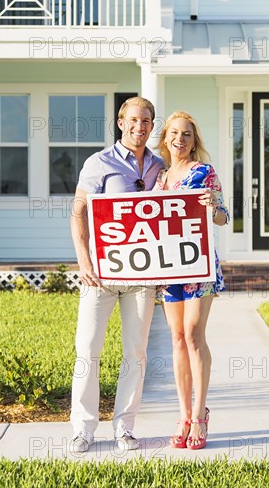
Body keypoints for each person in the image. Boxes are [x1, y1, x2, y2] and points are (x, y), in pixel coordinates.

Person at [69, 96, 164, 453]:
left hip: (143, 277)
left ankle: (124, 428)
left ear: (152, 126)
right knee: (87, 350)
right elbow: (78, 213)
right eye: (134, 120)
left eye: (147, 121)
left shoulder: (160, 166)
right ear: (121, 123)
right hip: (101, 275)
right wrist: (83, 261)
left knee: (136, 353)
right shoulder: (100, 163)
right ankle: (83, 429)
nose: (140, 127)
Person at [154, 110, 229, 450]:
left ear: (193, 140)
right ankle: (183, 416)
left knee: (195, 336)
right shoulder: (160, 179)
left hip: (199, 266)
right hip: (170, 268)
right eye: (174, 133)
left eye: (186, 134)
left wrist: (212, 206)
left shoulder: (204, 172)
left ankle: (200, 415)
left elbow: (224, 217)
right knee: (178, 338)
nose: (179, 139)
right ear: (165, 138)